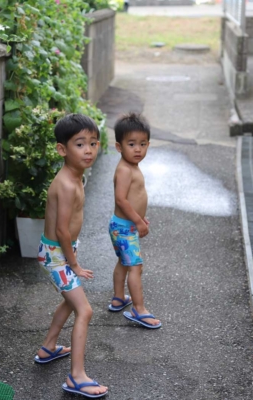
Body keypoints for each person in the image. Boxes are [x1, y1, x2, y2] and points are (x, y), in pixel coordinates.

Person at [36, 114, 109, 398]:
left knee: (70, 302)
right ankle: (76, 377)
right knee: (85, 310)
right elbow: (61, 230)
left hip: (62, 252)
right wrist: (74, 264)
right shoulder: (66, 184)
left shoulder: (76, 175)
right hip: (57, 255)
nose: (88, 150)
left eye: (93, 143)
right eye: (80, 144)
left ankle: (48, 347)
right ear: (62, 149)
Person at [108, 113, 161, 329]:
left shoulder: (132, 167)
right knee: (135, 266)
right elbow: (121, 199)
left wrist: (139, 218)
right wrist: (138, 222)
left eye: (142, 144)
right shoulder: (124, 170)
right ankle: (139, 309)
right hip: (124, 228)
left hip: (123, 225)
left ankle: (119, 298)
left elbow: (133, 198)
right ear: (119, 147)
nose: (138, 149)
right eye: (131, 144)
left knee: (123, 262)